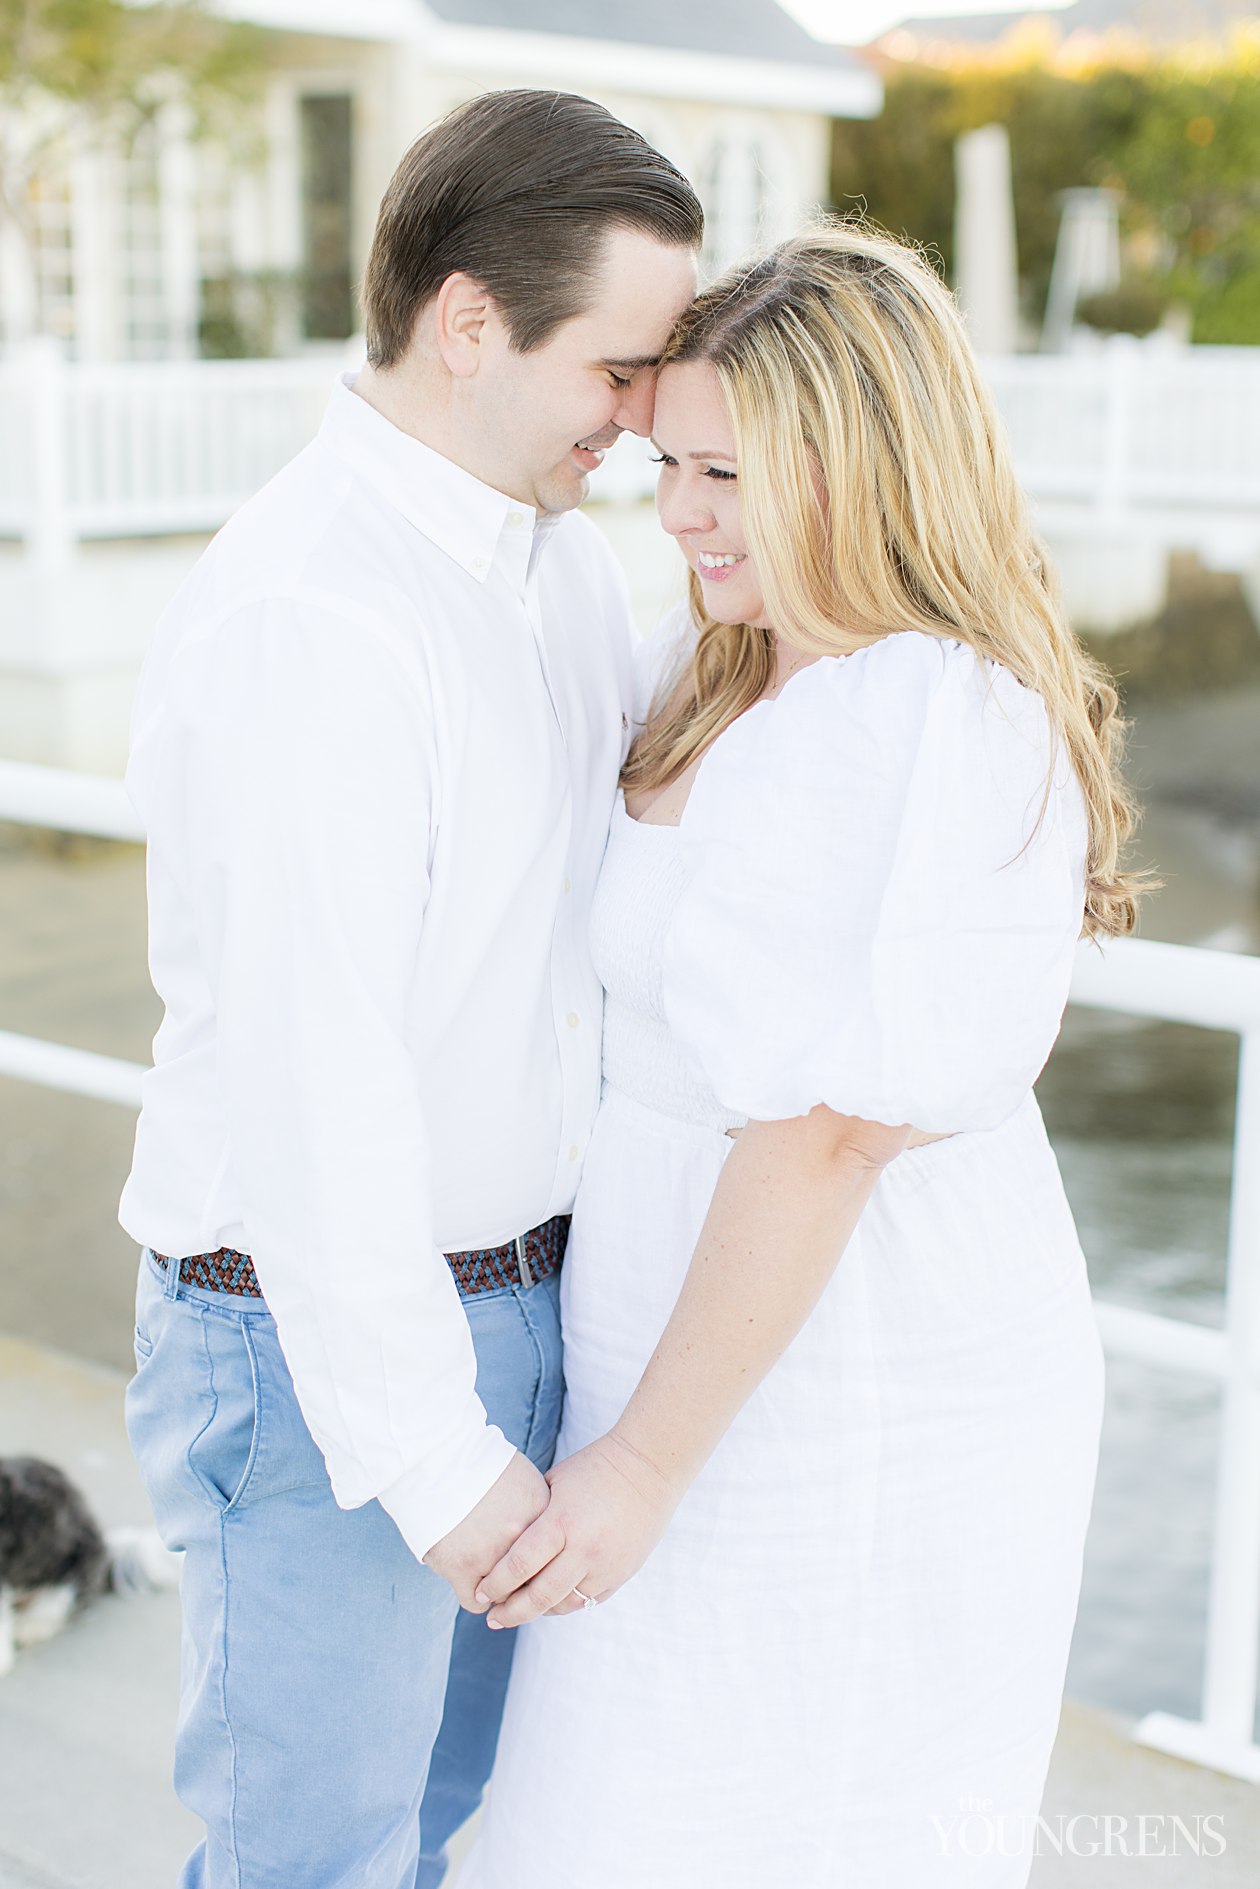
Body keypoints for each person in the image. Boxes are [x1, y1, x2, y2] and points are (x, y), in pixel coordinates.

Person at [460, 223, 1147, 1887]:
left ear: (870, 468)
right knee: (614, 1801)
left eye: (730, 472)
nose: (682, 509)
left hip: (851, 1366)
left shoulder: (920, 712)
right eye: (670, 463)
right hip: (684, 1338)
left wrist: (640, 1462)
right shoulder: (730, 676)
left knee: (778, 1809)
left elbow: (830, 1130)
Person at [119, 89, 700, 1888]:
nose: (647, 416)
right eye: (622, 368)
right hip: (315, 1346)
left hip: (528, 1304)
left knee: (456, 1841)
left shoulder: (557, 566)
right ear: (469, 324)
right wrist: (437, 1461)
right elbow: (318, 1093)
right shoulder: (313, 614)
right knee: (320, 1863)